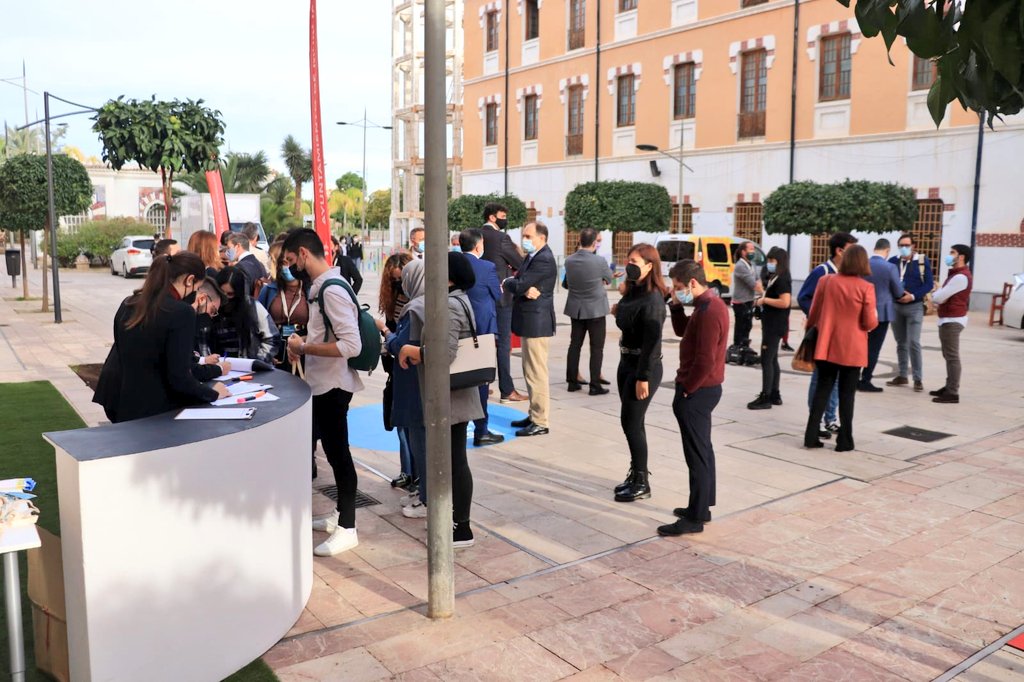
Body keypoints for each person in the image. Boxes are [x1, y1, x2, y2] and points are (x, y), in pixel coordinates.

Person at [283, 229, 365, 556]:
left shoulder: (331, 290)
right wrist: (303, 345)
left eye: (291, 260)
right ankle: (339, 515)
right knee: (332, 454)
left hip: (333, 385)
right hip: (323, 383)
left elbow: (351, 344)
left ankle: (348, 527)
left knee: (338, 455)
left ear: (304, 254)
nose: (291, 268)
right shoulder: (324, 287)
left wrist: (304, 346)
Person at [394, 254, 484, 547]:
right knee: (454, 458)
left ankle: (462, 528)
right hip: (455, 391)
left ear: (449, 276)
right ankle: (456, 522)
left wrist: (412, 350)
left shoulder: (448, 303)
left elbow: (444, 354)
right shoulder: (459, 298)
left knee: (455, 460)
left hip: (452, 393)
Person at [93, 252, 229, 423]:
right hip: (156, 410)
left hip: (122, 400)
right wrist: (213, 393)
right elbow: (179, 377)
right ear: (189, 280)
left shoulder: (130, 302)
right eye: (195, 289)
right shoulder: (181, 312)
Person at [657, 259, 730, 536]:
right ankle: (702, 506)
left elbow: (705, 360)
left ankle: (695, 517)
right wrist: (675, 305)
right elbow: (682, 331)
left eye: (678, 288)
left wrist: (688, 388)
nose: (676, 291)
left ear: (693, 283)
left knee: (696, 455)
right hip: (702, 389)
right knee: (703, 450)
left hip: (699, 391)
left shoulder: (711, 311)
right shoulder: (705, 306)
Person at [803, 245, 878, 451]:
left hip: (826, 345)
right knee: (847, 395)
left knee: (822, 390)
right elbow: (870, 322)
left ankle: (811, 436)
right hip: (852, 348)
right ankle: (844, 440)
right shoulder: (866, 287)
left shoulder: (825, 281)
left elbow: (814, 313)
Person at [612, 244, 668, 503]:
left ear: (649, 266)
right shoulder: (633, 290)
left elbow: (653, 343)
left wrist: (643, 377)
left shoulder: (654, 299)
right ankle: (635, 474)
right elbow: (624, 314)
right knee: (633, 422)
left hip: (643, 366)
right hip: (626, 361)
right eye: (628, 259)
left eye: (634, 260)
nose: (629, 264)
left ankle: (642, 481)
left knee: (631, 423)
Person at [797, 232, 858, 439]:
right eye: (851, 250)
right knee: (820, 378)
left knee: (837, 378)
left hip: (841, 337)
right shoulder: (822, 272)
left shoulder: (850, 275)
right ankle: (817, 418)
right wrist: (821, 317)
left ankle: (830, 418)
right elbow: (804, 297)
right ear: (839, 251)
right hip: (823, 334)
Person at [504, 221, 557, 437]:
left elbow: (518, 282)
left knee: (536, 373)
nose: (524, 240)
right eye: (523, 236)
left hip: (537, 322)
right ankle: (534, 413)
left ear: (541, 238)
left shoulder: (543, 259)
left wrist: (513, 283)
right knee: (529, 371)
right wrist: (519, 286)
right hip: (529, 321)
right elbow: (520, 282)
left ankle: (541, 421)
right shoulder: (532, 256)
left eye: (528, 236)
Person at [459, 228, 505, 447]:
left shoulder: (453, 263)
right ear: (479, 246)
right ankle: (481, 430)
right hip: (482, 331)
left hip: (458, 329)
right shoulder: (487, 267)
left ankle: (458, 428)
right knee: (481, 382)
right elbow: (497, 295)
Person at [479, 202, 528, 403]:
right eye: (502, 215)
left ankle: (482, 385)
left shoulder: (476, 234)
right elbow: (520, 263)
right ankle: (507, 390)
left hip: (481, 297)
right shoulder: (501, 238)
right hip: (501, 298)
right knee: (503, 344)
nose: (504, 218)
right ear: (492, 217)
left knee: (482, 342)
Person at [377, 252, 417, 491]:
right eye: (393, 281)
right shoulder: (392, 297)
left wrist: (384, 331)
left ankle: (416, 473)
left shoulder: (417, 303)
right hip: (395, 362)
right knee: (401, 422)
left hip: (411, 363)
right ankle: (407, 470)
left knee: (412, 424)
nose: (398, 285)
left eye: (401, 279)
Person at [563, 227, 613, 396]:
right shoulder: (599, 261)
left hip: (576, 309)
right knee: (596, 348)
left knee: (574, 345)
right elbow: (609, 278)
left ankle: (572, 381)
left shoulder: (569, 260)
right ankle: (594, 384)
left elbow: (567, 283)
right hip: (596, 309)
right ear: (594, 243)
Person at [860, 239, 909, 392]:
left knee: (859, 345)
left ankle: (853, 378)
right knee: (873, 348)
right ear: (887, 250)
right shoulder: (890, 267)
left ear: (874, 249)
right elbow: (898, 291)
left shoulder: (863, 264)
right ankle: (865, 379)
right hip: (882, 313)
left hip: (862, 310)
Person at [887, 234, 934, 392]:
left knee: (914, 342)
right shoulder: (893, 261)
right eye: (901, 245)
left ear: (914, 245)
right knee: (901, 342)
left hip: (914, 306)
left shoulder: (921, 261)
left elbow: (928, 284)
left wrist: (912, 296)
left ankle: (918, 378)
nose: (904, 247)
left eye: (907, 244)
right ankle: (902, 375)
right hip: (896, 306)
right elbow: (887, 281)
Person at [748, 246, 791, 410]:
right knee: (773, 359)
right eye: (769, 260)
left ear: (780, 262)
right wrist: (763, 294)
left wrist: (764, 300)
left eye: (772, 260)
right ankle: (774, 394)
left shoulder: (783, 278)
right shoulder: (777, 277)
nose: (769, 263)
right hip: (773, 324)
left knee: (766, 360)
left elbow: (785, 302)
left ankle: (766, 396)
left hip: (775, 325)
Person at [930, 244, 973, 404]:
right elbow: (942, 295)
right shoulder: (956, 274)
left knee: (952, 357)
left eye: (952, 253)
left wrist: (938, 293)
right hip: (948, 318)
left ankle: (952, 392)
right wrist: (941, 293)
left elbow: (938, 298)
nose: (949, 255)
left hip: (952, 320)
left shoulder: (960, 277)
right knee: (948, 356)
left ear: (961, 257)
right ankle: (949, 386)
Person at [213, 266, 280, 363]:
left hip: (248, 367)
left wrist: (257, 362)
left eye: (230, 294)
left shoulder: (253, 307)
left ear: (238, 293)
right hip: (219, 367)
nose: (225, 298)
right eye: (221, 293)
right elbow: (204, 342)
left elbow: (272, 338)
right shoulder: (210, 307)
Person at [257, 248, 310, 371]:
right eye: (283, 264)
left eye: (289, 263)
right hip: (276, 342)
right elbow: (257, 322)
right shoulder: (269, 290)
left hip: (302, 343)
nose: (286, 268)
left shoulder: (309, 290)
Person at [730, 241, 760, 349]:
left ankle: (744, 346)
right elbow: (753, 284)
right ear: (743, 252)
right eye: (751, 249)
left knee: (748, 325)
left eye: (753, 249)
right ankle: (738, 347)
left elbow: (757, 280)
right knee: (741, 326)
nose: (753, 252)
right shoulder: (740, 266)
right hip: (740, 301)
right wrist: (764, 294)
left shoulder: (752, 265)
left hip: (749, 300)